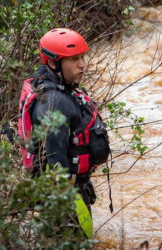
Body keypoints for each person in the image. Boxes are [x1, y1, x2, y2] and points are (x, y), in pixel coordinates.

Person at [27, 28, 110, 231]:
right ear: (54, 63)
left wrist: (82, 180)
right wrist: (67, 207)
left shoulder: (65, 87)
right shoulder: (55, 103)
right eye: (74, 59)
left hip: (75, 186)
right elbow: (55, 161)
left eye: (82, 57)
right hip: (65, 195)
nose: (82, 64)